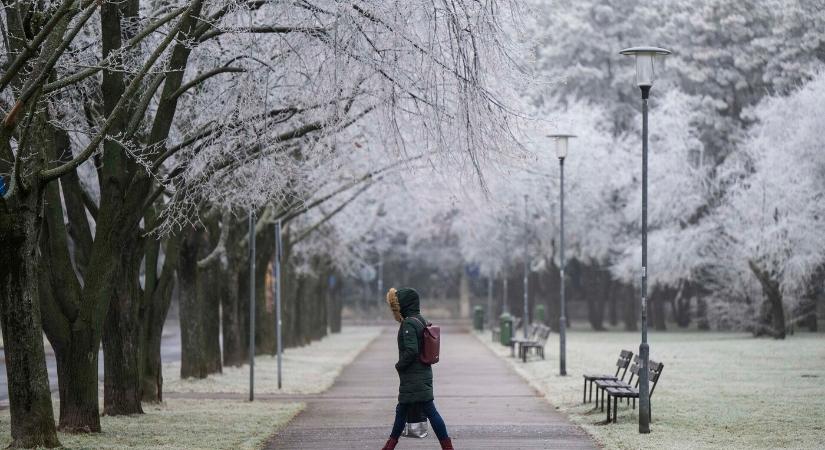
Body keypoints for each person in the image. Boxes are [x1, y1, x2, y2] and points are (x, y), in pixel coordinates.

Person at [382, 288, 454, 450]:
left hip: (414, 377)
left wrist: (399, 365)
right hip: (422, 373)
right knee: (403, 410)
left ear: (404, 304)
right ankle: (389, 446)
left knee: (426, 411)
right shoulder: (420, 319)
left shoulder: (408, 323)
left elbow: (411, 351)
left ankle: (447, 447)